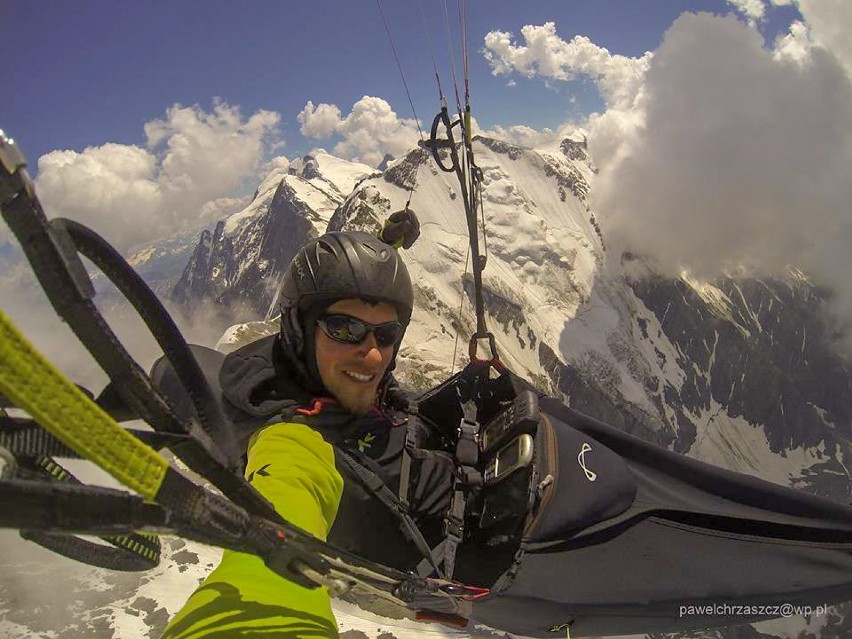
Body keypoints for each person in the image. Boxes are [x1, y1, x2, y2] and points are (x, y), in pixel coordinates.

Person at [161, 214, 441, 638]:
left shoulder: (322, 368)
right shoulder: (291, 437)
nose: (372, 357)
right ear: (298, 331)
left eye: (386, 335)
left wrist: (384, 251)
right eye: (345, 329)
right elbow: (285, 508)